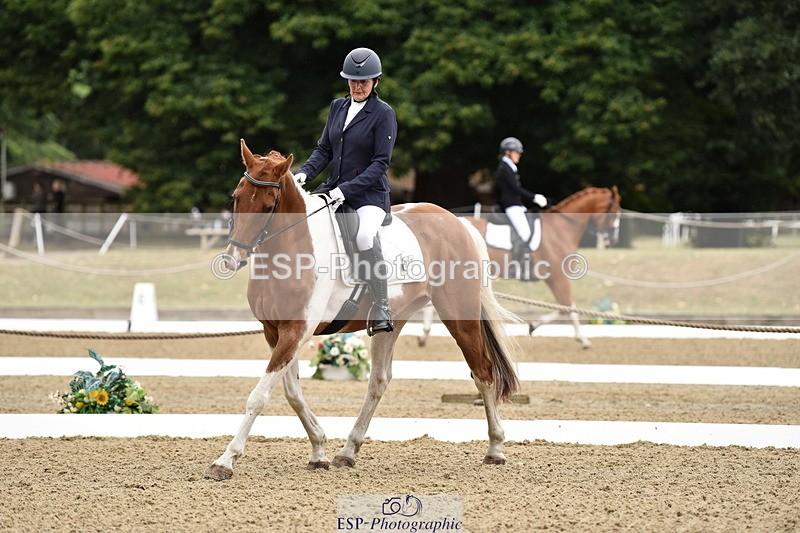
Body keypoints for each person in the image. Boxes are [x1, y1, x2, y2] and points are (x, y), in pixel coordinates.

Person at [293, 47, 397, 335]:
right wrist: (302, 174)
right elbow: (324, 149)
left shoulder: (383, 114)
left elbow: (380, 163)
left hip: (370, 195)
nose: (357, 86)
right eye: (353, 81)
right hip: (333, 189)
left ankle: (382, 306)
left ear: (376, 82)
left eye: (363, 82)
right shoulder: (337, 107)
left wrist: (345, 190)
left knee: (364, 234)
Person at [494, 137, 548, 268]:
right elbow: (515, 189)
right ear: (508, 152)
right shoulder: (504, 168)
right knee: (525, 233)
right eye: (516, 152)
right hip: (511, 206)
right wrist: (534, 197)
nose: (519, 155)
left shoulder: (509, 167)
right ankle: (518, 265)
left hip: (517, 205)